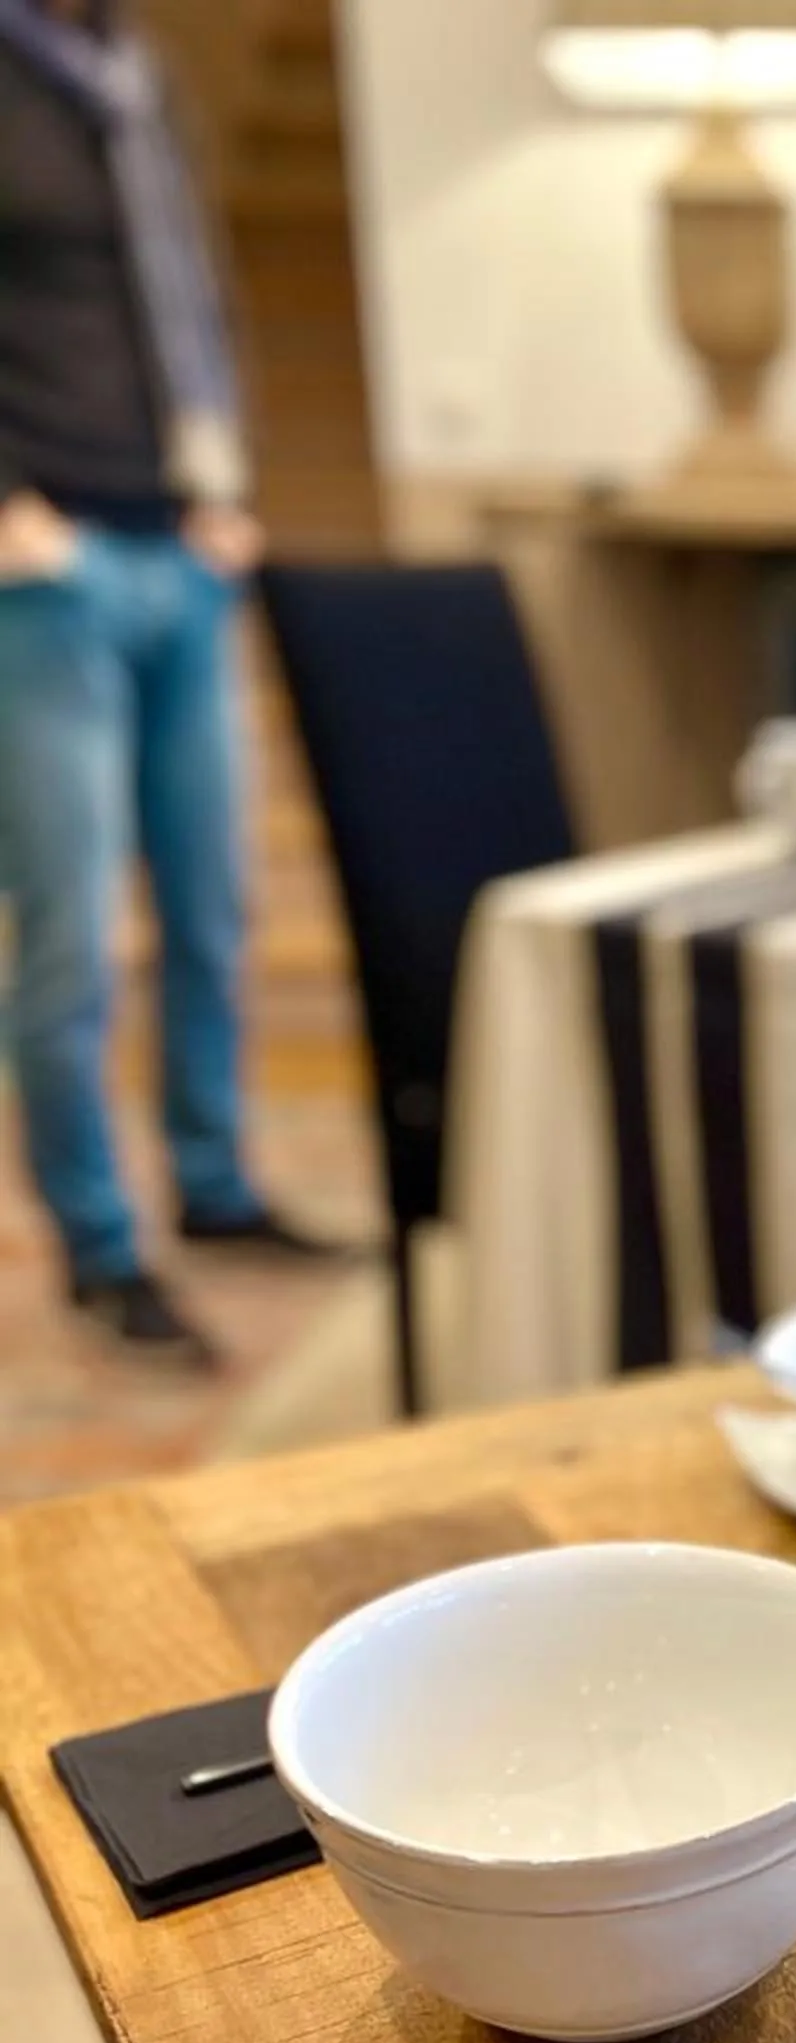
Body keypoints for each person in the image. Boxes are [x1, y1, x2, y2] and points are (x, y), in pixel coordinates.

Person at [0, 0, 326, 1369]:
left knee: (215, 904)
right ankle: (98, 1245)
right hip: (46, 567)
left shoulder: (133, 67)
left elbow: (185, 285)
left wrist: (224, 483)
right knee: (74, 934)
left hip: (180, 540)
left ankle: (215, 1181)